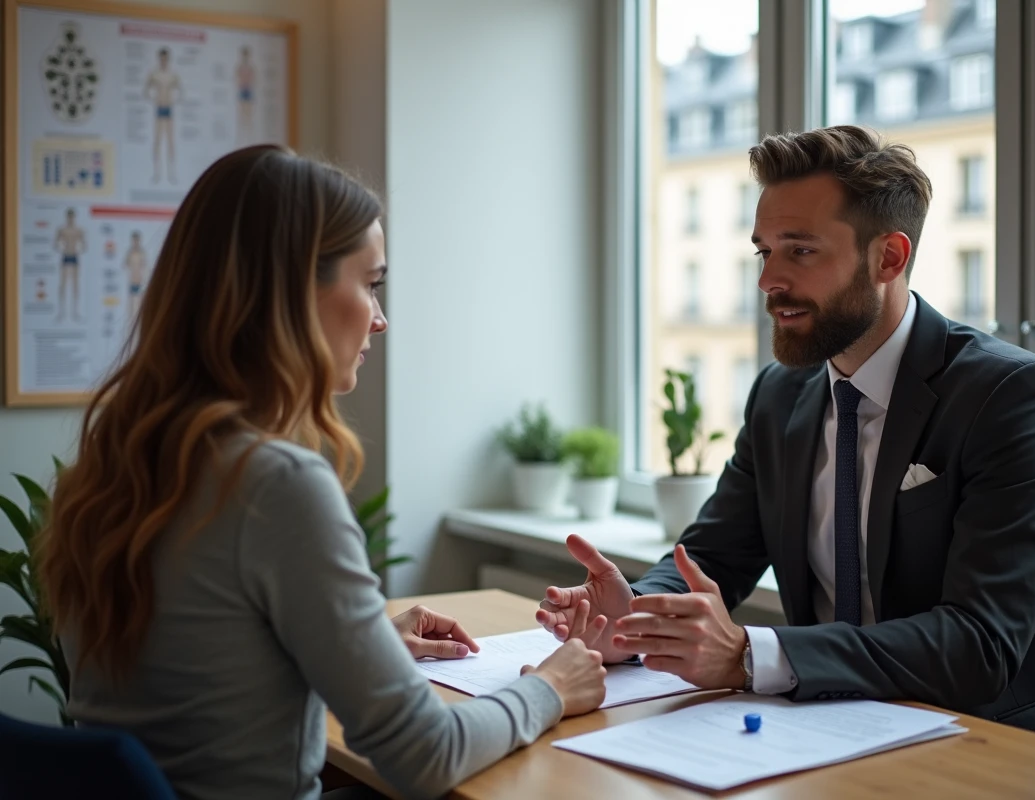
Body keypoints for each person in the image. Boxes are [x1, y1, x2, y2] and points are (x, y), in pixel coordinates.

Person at [38, 145, 609, 800]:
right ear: (290, 290)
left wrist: (359, 642)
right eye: (371, 284)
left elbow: (195, 672)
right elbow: (423, 755)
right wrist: (547, 687)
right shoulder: (273, 484)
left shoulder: (115, 462)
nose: (381, 317)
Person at [536, 125, 1035, 751]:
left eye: (801, 251)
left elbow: (979, 645)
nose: (768, 281)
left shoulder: (1014, 397)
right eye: (764, 252)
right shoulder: (780, 396)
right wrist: (637, 613)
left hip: (1003, 745)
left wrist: (746, 655)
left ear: (888, 258)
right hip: (835, 733)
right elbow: (715, 556)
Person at [144, 47, 182, 183]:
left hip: (169, 110)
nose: (163, 61)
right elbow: (146, 90)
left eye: (165, 59)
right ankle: (157, 174)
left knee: (170, 143)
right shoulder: (154, 74)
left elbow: (180, 91)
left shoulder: (172, 75)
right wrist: (154, 98)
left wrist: (173, 99)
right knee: (157, 142)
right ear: (159, 59)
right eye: (162, 59)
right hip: (159, 110)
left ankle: (171, 174)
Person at [53, 207, 85, 323]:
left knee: (75, 286)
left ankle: (75, 312)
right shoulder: (62, 230)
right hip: (66, 257)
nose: (71, 219)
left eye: (72, 217)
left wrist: (79, 247)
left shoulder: (79, 230)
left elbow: (84, 246)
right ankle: (61, 312)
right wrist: (61, 245)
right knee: (63, 285)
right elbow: (56, 244)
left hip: (75, 257)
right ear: (67, 217)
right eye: (69, 216)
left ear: (74, 217)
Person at [122, 230, 147, 321]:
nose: (136, 242)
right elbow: (124, 265)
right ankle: (131, 324)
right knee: (131, 306)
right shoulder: (130, 253)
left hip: (140, 281)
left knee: (140, 305)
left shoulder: (142, 253)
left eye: (137, 240)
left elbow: (145, 267)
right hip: (132, 281)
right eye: (134, 240)